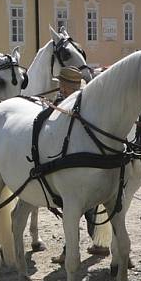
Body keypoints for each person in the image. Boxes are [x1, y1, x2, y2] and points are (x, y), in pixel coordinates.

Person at [50, 67, 104, 263]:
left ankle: (68, 252)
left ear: (64, 86)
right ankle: (100, 242)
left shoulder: (65, 104)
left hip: (73, 166)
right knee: (93, 206)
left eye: (60, 84)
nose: (59, 88)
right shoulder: (92, 102)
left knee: (72, 211)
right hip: (95, 163)